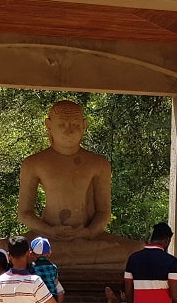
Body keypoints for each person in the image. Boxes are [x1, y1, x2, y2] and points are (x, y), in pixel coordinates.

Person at [17, 100, 140, 266]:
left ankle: (61, 256)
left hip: (88, 238)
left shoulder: (98, 163)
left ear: (84, 125)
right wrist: (50, 231)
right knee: (5, 248)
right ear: (48, 125)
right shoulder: (33, 163)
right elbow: (25, 213)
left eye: (75, 124)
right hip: (47, 238)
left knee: (137, 249)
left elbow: (104, 212)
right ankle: (64, 254)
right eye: (62, 125)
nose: (69, 131)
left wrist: (88, 232)